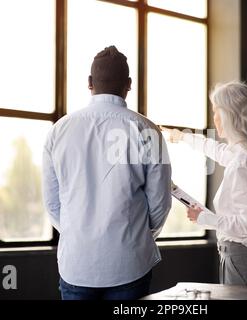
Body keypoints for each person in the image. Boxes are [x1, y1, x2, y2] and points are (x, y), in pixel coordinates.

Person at [42, 46, 172, 300]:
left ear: (89, 83)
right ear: (129, 84)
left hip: (76, 265)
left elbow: (52, 204)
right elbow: (160, 205)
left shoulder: (59, 131)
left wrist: (78, 232)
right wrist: (138, 236)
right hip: (129, 264)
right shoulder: (146, 130)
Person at [162, 81, 247, 285]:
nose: (214, 117)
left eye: (216, 111)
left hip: (244, 261)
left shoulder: (242, 164)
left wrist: (206, 218)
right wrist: (183, 137)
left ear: (230, 116)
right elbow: (218, 151)